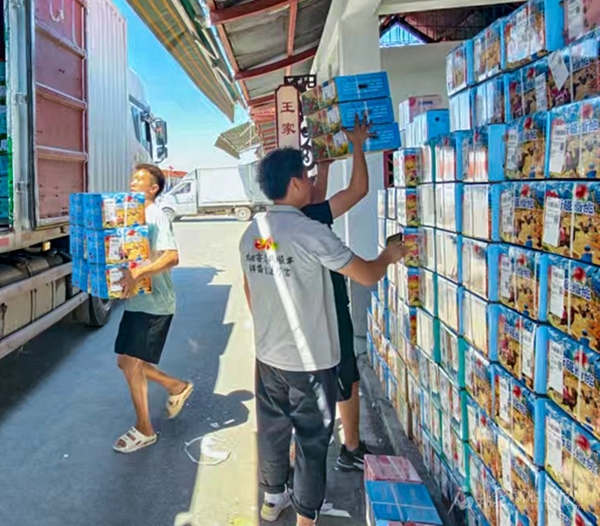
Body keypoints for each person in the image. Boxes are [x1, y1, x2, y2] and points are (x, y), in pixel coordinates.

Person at [240, 144, 407, 526]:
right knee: (312, 442)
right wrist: (388, 255)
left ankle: (273, 497)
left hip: (267, 358)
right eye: (307, 176)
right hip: (309, 362)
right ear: (296, 183)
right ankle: (306, 518)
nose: (311, 182)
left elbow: (249, 287)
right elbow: (367, 274)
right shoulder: (310, 232)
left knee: (273, 430)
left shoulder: (252, 232)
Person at [303, 116, 372, 472]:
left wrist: (325, 167)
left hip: (302, 319)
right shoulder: (312, 220)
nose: (311, 183)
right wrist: (357, 145)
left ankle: (296, 458)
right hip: (330, 311)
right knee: (346, 376)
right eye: (305, 178)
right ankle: (351, 448)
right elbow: (358, 190)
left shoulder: (274, 223)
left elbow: (318, 198)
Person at [112, 164, 194, 454]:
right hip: (138, 300)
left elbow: (172, 257)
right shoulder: (133, 217)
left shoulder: (156, 214)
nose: (133, 182)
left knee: (131, 364)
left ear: (153, 188)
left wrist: (138, 273)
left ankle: (145, 429)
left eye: (140, 180)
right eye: (132, 178)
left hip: (156, 303)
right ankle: (176, 386)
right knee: (125, 362)